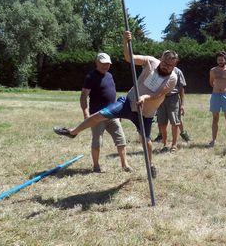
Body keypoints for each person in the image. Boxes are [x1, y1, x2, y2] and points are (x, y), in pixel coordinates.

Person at [53, 31, 178, 178]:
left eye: (170, 66)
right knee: (100, 115)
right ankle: (73, 132)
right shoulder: (151, 61)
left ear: (174, 65)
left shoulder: (173, 78)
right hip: (129, 102)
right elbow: (129, 58)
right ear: (160, 58)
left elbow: (159, 94)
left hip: (146, 113)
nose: (166, 67)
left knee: (145, 140)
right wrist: (125, 42)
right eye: (164, 63)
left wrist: (145, 97)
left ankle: (150, 164)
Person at [80, 53, 132, 173]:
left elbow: (112, 95)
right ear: (97, 63)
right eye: (103, 64)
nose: (105, 66)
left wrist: (118, 112)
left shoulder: (109, 76)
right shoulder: (90, 77)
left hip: (112, 114)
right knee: (97, 141)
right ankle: (96, 166)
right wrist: (86, 113)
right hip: (97, 116)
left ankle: (125, 165)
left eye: (108, 64)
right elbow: (83, 96)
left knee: (121, 139)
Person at [207, 51, 226, 148]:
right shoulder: (213, 70)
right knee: (215, 118)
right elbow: (211, 82)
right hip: (215, 95)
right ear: (217, 60)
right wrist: (216, 87)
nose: (220, 61)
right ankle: (213, 140)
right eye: (219, 59)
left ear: (225, 59)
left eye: (222, 59)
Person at [156, 66, 188, 152]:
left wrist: (182, 104)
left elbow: (181, 88)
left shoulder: (177, 71)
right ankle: (165, 144)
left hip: (173, 98)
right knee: (162, 123)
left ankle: (174, 145)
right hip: (160, 98)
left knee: (175, 122)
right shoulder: (157, 70)